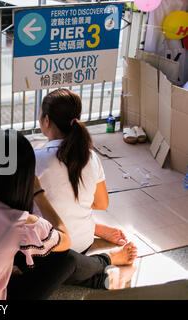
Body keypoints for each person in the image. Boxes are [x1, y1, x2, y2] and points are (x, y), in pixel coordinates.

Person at [0, 129, 137, 300]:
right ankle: (106, 262)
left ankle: (99, 277)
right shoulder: (21, 224)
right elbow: (65, 239)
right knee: (65, 259)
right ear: (26, 177)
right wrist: (39, 194)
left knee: (25, 251)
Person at [35, 88, 130, 254]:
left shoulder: (35, 160)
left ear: (47, 120)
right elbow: (102, 203)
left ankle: (98, 239)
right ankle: (94, 228)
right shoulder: (91, 157)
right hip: (83, 244)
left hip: (47, 249)